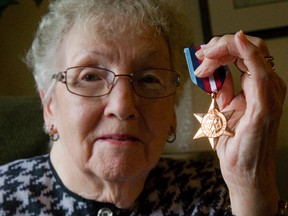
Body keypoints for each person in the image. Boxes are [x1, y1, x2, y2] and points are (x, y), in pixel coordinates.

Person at [0, 0, 287, 215]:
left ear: (172, 114)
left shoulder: (214, 193)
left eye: (149, 79)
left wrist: (250, 181)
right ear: (49, 107)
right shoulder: (4, 197)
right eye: (89, 77)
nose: (123, 106)